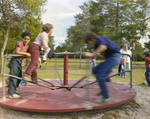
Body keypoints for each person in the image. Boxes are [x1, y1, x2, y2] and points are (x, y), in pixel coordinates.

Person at [78, 32, 120, 103]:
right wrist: (82, 53)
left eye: (88, 43)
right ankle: (104, 89)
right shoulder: (96, 45)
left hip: (115, 57)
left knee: (101, 75)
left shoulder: (100, 38)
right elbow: (94, 56)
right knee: (95, 70)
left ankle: (106, 98)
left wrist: (93, 54)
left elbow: (103, 47)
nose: (88, 45)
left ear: (92, 39)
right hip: (111, 58)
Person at [8, 31, 31, 98]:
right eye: (25, 39)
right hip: (15, 60)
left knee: (19, 77)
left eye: (28, 39)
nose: (26, 40)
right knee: (14, 76)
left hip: (19, 61)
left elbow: (27, 55)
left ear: (30, 40)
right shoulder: (20, 43)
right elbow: (18, 51)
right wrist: (26, 54)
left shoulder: (27, 46)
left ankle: (13, 90)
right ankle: (11, 93)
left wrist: (26, 60)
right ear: (22, 38)